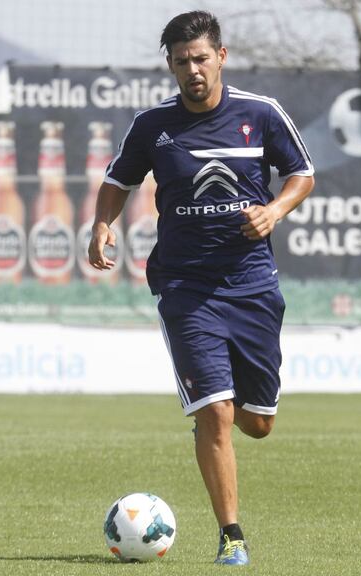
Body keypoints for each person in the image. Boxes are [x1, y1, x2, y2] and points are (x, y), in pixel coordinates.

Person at [88, 10, 315, 566]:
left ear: (222, 57)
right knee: (215, 413)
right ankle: (231, 535)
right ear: (169, 64)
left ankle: (216, 396)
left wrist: (276, 210)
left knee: (257, 423)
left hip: (253, 284)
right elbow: (118, 180)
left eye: (201, 58)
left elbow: (301, 173)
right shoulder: (152, 126)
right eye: (181, 60)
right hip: (185, 286)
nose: (192, 69)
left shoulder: (260, 114)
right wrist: (102, 223)